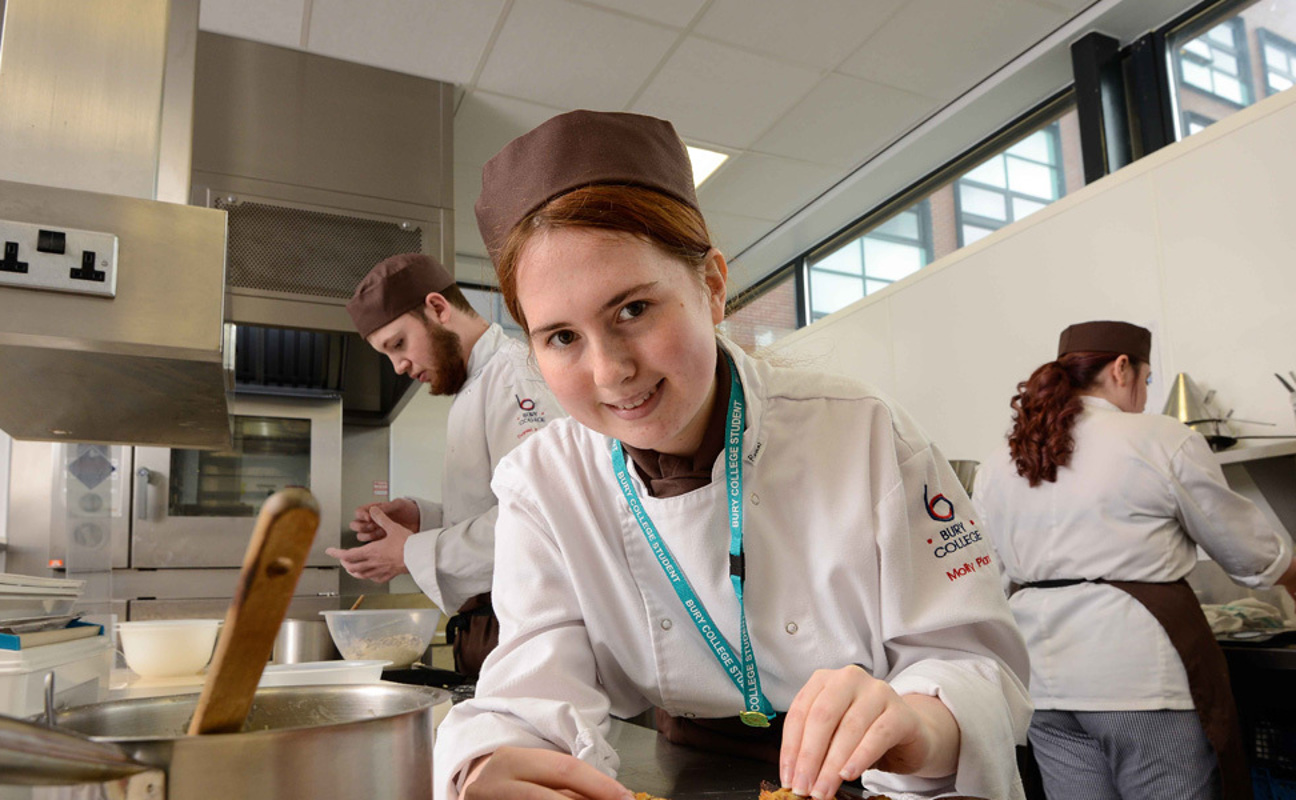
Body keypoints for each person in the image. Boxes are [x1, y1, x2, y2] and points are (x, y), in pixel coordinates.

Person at [433, 110, 1031, 800]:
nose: (610, 373)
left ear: (712, 286)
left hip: (875, 776)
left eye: (632, 310)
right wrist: (485, 768)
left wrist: (915, 722)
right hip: (682, 770)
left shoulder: (864, 434)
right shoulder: (542, 483)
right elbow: (526, 697)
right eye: (561, 337)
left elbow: (978, 668)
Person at [973, 320, 1296, 800]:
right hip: (1140, 684)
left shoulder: (1000, 461)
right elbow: (1249, 553)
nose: (1144, 395)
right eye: (1147, 380)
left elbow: (987, 579)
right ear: (1122, 368)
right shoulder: (1158, 437)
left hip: (1044, 685)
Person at [325, 253, 562, 676]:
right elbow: (497, 507)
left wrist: (410, 552)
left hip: (530, 632)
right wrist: (424, 517)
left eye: (398, 344)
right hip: (491, 629)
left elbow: (543, 521)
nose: (398, 366)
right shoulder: (475, 384)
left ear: (438, 308)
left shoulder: (515, 379)